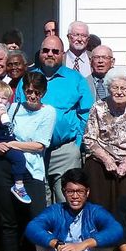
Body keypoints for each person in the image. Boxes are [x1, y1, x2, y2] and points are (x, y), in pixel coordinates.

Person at [0, 71, 57, 251]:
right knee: (8, 218)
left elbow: (39, 145)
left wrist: (13, 144)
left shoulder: (48, 112)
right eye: (29, 91)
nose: (33, 96)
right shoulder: (13, 108)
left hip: (32, 170)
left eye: (37, 92)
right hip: (6, 167)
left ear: (43, 93)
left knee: (37, 217)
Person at [23, 34, 94, 202]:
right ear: (40, 53)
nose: (50, 54)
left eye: (55, 51)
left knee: (68, 201)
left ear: (62, 54)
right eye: (46, 50)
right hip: (34, 153)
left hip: (65, 152)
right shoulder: (28, 79)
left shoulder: (76, 79)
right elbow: (19, 111)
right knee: (40, 204)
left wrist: (77, 144)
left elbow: (86, 113)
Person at [82, 66, 126, 211]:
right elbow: (89, 139)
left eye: (123, 88)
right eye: (115, 87)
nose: (119, 92)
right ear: (109, 89)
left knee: (125, 208)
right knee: (100, 209)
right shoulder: (98, 107)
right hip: (101, 162)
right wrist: (107, 160)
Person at [0, 80, 33, 203]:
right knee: (19, 158)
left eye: (4, 98)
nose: (0, 101)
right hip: (1, 142)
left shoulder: (7, 110)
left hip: (9, 139)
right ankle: (18, 185)